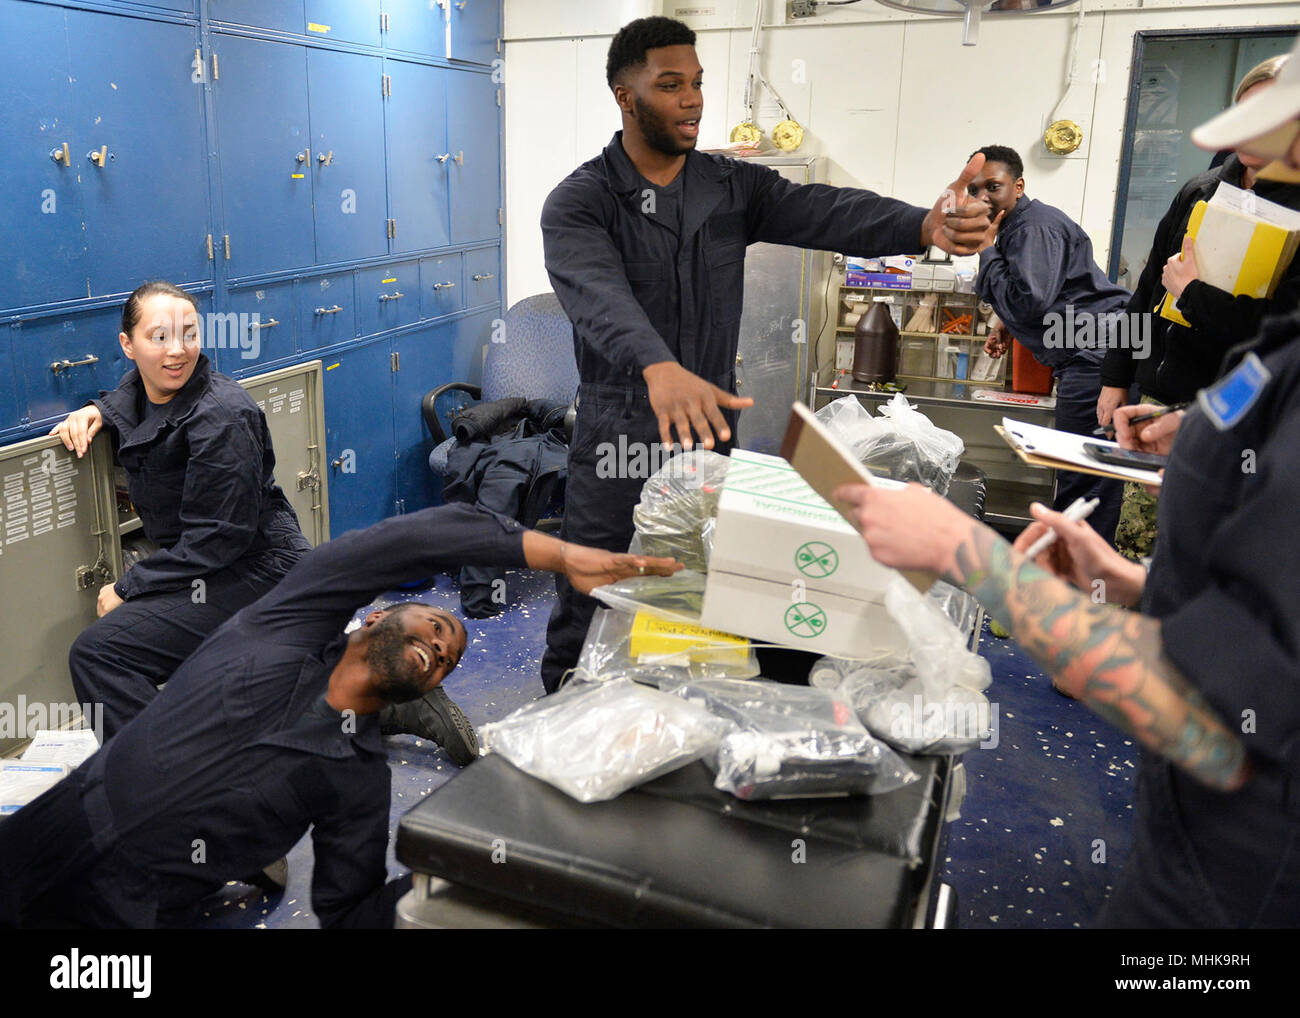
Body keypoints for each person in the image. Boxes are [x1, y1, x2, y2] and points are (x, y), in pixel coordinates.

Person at [826, 64, 1300, 923]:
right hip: (1194, 827)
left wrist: (971, 556)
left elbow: (1213, 726)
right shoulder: (1280, 353)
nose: (1244, 180)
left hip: (1242, 874)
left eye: (1273, 157)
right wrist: (1140, 583)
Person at [539, 15, 993, 692]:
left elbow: (825, 209)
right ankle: (565, 702)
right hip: (621, 430)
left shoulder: (729, 186)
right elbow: (598, 295)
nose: (693, 99)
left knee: (700, 579)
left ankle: (678, 703)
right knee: (599, 579)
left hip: (710, 423)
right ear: (625, 97)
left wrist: (920, 225)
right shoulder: (580, 203)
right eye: (671, 85)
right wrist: (657, 365)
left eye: (697, 83)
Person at [0, 503, 679, 929]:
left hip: (123, 921)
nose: (442, 648)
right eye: (439, 625)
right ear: (378, 616)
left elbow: (348, 913)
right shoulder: (282, 626)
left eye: (449, 662)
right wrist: (559, 554)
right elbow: (410, 541)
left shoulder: (357, 781)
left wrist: (457, 872)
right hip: (42, 833)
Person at [51, 282, 476, 764]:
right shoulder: (152, 388)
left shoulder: (222, 415)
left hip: (256, 568)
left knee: (101, 652)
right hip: (209, 567)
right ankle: (376, 705)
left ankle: (165, 777)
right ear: (127, 346)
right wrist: (97, 410)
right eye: (159, 337)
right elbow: (133, 394)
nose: (177, 350)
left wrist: (129, 586)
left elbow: (218, 538)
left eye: (189, 334)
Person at [1100, 53, 1300, 560]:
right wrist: (1116, 375)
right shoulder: (1200, 191)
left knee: (1218, 551)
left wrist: (1193, 295)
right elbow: (1147, 290)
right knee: (1140, 546)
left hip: (1244, 415)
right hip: (1161, 403)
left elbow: (1279, 331)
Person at [968, 145, 1129, 544]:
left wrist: (986, 250)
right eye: (974, 189)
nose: (983, 197)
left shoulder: (1031, 228)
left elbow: (1031, 300)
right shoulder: (1017, 227)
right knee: (1086, 475)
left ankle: (1077, 573)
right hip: (1092, 351)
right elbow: (1046, 292)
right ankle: (1075, 566)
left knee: (1085, 478)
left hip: (1097, 356)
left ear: (1018, 186)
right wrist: (1005, 325)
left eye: (993, 186)